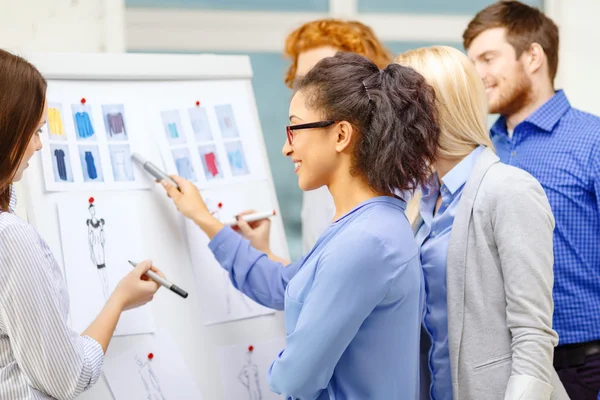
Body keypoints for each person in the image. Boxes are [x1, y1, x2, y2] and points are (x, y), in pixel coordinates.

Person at [160, 51, 440, 399]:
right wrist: (204, 218)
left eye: (294, 129)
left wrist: (281, 365)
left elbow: (294, 378)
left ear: (340, 135)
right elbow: (286, 284)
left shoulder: (366, 241)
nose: (285, 148)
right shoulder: (368, 226)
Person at [395, 45, 568, 400]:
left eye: (397, 110)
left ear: (432, 111)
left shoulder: (508, 190)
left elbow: (533, 332)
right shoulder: (422, 199)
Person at [0, 49, 164, 400]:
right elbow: (68, 378)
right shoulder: (9, 237)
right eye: (35, 130)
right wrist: (119, 300)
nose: (40, 145)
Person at [463, 2, 600, 398]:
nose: (478, 75)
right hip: (503, 369)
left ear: (534, 56)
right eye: (472, 63)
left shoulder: (592, 141)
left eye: (488, 58)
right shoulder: (480, 150)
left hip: (585, 369)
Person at [283, 19, 393, 253]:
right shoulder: (316, 170)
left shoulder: (394, 177)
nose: (309, 94)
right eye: (303, 82)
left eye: (323, 80)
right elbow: (309, 275)